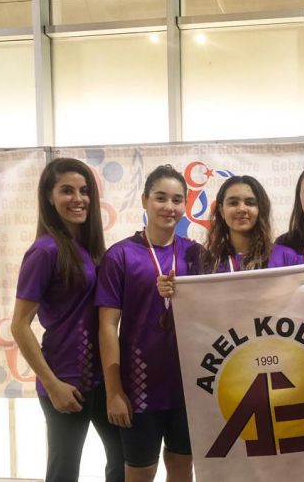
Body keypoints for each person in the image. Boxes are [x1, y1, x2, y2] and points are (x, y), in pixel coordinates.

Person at [11, 158, 124, 482]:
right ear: (49, 197)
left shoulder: (91, 248)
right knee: (64, 471)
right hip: (65, 381)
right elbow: (19, 325)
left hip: (103, 380)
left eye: (84, 191)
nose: (78, 198)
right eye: (67, 191)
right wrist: (52, 384)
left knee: (125, 461)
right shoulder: (45, 251)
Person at [97, 165, 201, 482]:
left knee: (182, 465)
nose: (169, 207)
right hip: (138, 386)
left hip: (188, 385)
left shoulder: (196, 254)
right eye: (160, 198)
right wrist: (114, 392)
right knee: (141, 471)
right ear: (144, 200)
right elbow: (107, 327)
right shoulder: (120, 255)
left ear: (185, 205)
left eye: (177, 200)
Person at [157, 174, 273, 303]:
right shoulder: (207, 263)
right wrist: (172, 291)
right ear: (222, 211)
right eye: (233, 203)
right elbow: (194, 308)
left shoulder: (284, 257)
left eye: (250, 203)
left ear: (260, 208)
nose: (241, 209)